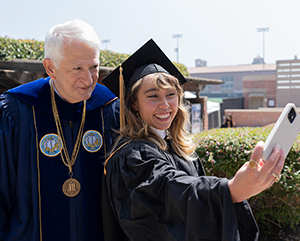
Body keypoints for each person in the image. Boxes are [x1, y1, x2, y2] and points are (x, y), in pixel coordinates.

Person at [101, 39, 285, 240]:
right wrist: (229, 190)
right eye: (153, 96)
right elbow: (171, 190)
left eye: (170, 94)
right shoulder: (132, 156)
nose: (165, 105)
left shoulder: (174, 146)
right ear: (134, 103)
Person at [0, 19, 119, 241]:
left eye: (94, 67)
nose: (89, 79)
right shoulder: (17, 111)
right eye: (77, 68)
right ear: (50, 68)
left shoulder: (109, 109)